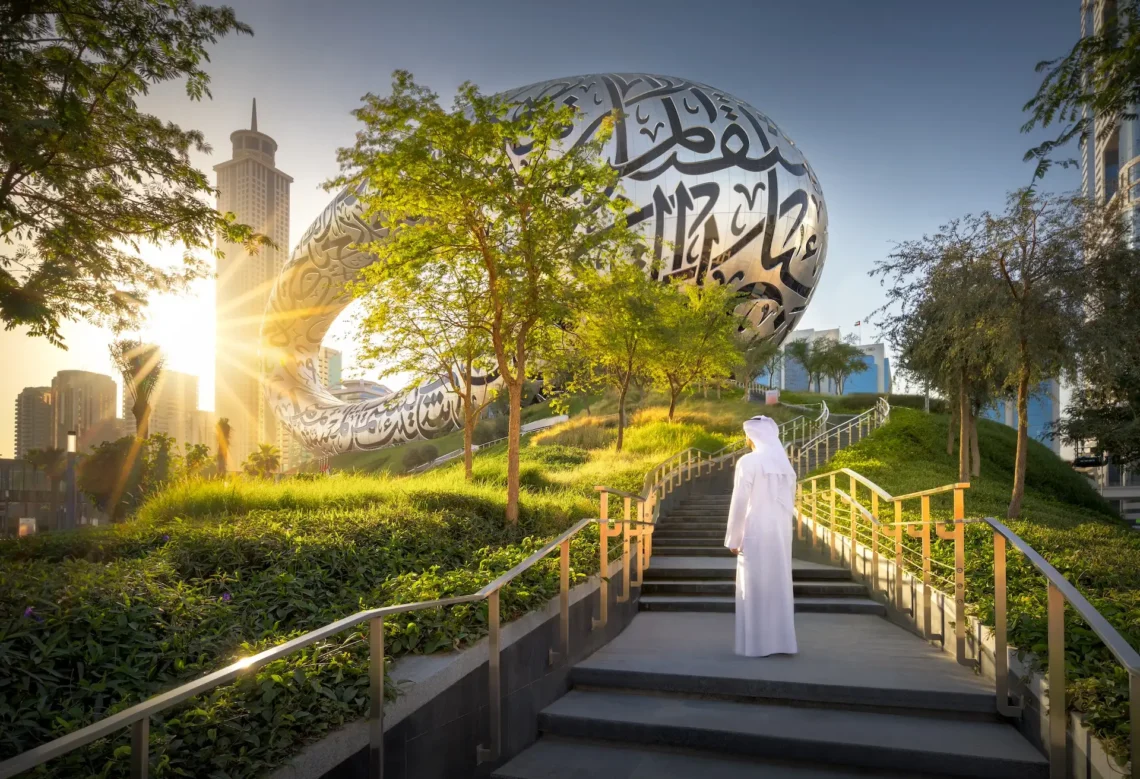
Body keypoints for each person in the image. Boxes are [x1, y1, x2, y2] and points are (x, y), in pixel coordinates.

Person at [724, 416, 798, 657]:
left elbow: (740, 501)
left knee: (754, 584)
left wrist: (734, 538)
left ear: (752, 436)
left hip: (755, 529)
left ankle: (756, 645)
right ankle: (781, 643)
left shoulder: (748, 461)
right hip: (781, 531)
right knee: (778, 583)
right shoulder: (786, 467)